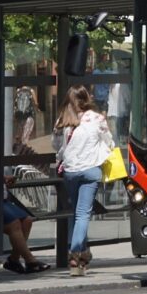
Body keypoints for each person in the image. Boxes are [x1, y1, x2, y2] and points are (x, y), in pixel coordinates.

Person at [55, 84, 114, 277]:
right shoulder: (97, 118)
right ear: (86, 97)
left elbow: (55, 145)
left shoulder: (63, 119)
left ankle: (81, 259)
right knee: (82, 215)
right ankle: (75, 253)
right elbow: (109, 142)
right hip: (90, 171)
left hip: (70, 172)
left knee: (76, 213)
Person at [1, 175, 50, 274]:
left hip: (3, 199)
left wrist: (4, 178)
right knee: (14, 224)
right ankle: (30, 261)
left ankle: (14, 259)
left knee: (27, 220)